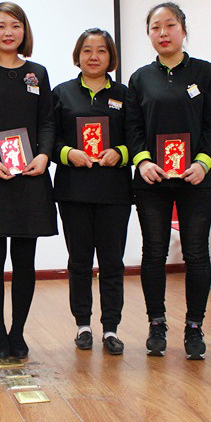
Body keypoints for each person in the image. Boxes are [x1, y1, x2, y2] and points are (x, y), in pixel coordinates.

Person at [125, 2, 211, 360]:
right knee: (154, 251)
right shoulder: (140, 78)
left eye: (170, 25)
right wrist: (142, 160)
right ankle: (157, 323)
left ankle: (195, 326)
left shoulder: (205, 73)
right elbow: (132, 128)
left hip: (197, 178)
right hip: (152, 180)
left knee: (196, 252)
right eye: (155, 27)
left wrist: (203, 163)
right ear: (149, 34)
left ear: (184, 29)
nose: (163, 33)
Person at [0, 2, 57, 360]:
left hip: (30, 176)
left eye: (15, 25)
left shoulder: (37, 73)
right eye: (0, 25)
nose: (8, 32)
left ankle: (18, 331)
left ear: (24, 31)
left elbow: (47, 122)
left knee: (25, 260)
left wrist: (44, 156)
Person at [52, 28, 131, 355]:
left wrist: (121, 153)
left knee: (112, 262)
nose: (94, 56)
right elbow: (50, 139)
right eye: (87, 50)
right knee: (80, 261)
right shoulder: (62, 93)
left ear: (110, 56)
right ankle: (82, 325)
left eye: (101, 50)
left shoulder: (125, 94)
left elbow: (137, 138)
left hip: (114, 191)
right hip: (74, 191)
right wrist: (68, 153)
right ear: (78, 55)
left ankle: (111, 328)